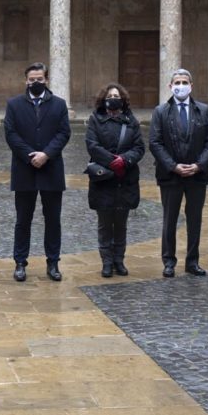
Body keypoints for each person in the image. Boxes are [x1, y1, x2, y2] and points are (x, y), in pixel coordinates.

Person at [4, 62, 71, 282]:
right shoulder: (14, 105)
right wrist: (31, 155)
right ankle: (20, 263)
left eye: (39, 79)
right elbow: (11, 134)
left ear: (46, 80)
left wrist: (46, 154)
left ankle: (53, 263)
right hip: (24, 169)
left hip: (51, 168)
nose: (35, 83)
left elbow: (63, 133)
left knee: (53, 219)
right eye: (32, 79)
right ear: (26, 81)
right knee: (23, 219)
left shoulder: (59, 105)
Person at [149, 68, 208, 278]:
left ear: (191, 86)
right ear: (170, 87)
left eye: (184, 82)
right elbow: (155, 142)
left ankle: (192, 261)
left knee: (195, 219)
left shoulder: (203, 111)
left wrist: (199, 165)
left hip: (197, 175)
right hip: (170, 175)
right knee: (169, 219)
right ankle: (168, 261)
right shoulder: (160, 112)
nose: (180, 86)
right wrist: (173, 166)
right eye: (177, 82)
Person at [85, 83, 145, 278]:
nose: (113, 98)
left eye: (117, 95)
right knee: (104, 224)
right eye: (110, 95)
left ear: (123, 99)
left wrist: (125, 160)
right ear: (104, 99)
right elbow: (92, 145)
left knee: (121, 223)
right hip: (104, 178)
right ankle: (106, 262)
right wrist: (113, 161)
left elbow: (139, 147)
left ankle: (119, 260)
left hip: (125, 179)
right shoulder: (95, 119)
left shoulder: (131, 121)